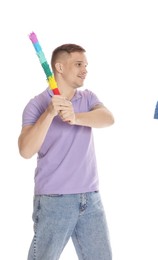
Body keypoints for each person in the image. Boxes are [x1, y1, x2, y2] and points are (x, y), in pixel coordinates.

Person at [18, 43, 114, 260]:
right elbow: (25, 150)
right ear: (59, 68)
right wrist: (50, 113)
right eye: (78, 64)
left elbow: (108, 118)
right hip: (54, 199)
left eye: (86, 65)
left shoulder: (88, 98)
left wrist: (76, 117)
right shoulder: (36, 105)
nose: (85, 70)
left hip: (91, 198)